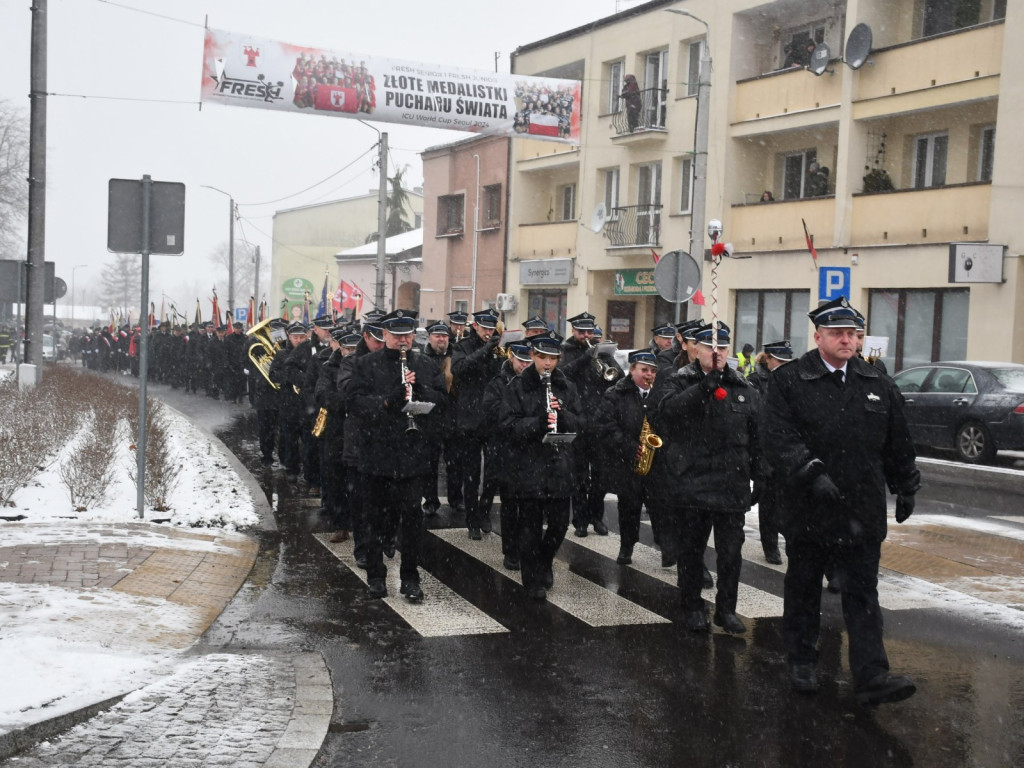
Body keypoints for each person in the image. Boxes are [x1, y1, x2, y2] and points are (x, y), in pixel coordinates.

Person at [761, 296, 921, 706]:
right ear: (818, 337)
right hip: (809, 507)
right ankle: (801, 659)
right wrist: (811, 471)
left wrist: (906, 485)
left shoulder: (877, 383)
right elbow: (777, 438)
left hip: (861, 508)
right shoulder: (791, 381)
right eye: (838, 333)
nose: (847, 340)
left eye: (853, 333)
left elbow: (897, 442)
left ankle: (871, 674)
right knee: (804, 587)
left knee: (863, 593)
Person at [651, 321, 761, 634]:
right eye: (711, 348)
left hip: (731, 483)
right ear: (696, 349)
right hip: (692, 482)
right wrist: (702, 389)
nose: (718, 354)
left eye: (723, 348)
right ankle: (692, 607)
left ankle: (726, 610)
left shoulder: (743, 388)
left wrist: (761, 476)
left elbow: (757, 436)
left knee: (730, 554)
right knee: (691, 551)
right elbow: (665, 414)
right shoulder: (677, 380)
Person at [348, 309, 446, 601]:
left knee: (412, 522)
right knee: (376, 520)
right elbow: (354, 404)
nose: (403, 340)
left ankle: (410, 579)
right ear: (385, 335)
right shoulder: (365, 364)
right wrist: (389, 399)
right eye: (397, 335)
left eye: (407, 335)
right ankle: (376, 577)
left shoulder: (425, 364)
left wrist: (420, 390)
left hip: (412, 455)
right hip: (376, 454)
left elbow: (442, 402)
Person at [499, 331, 582, 600]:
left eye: (552, 359)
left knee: (559, 525)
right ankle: (532, 579)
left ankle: (545, 560)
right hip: (529, 465)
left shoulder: (566, 387)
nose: (548, 364)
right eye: (542, 357)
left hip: (559, 465)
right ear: (533, 356)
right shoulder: (517, 387)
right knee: (530, 527)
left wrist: (563, 415)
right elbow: (507, 425)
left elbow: (581, 424)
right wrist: (538, 422)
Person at [594, 350, 665, 565]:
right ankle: (627, 546)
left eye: (653, 371)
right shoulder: (615, 394)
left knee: (661, 510)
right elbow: (604, 426)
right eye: (644, 370)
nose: (649, 375)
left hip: (656, 465)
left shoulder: (660, 395)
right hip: (627, 464)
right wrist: (629, 447)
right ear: (632, 369)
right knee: (629, 508)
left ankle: (666, 546)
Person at [559, 311, 621, 537]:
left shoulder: (600, 351)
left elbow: (618, 377)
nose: (587, 335)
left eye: (589, 331)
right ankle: (580, 519)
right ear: (573, 331)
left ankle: (597, 515)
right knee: (579, 475)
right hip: (578, 418)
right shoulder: (565, 351)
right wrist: (585, 357)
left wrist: (605, 359)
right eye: (581, 331)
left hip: (599, 421)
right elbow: (562, 375)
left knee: (602, 475)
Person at [451, 309, 504, 538]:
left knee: (493, 472)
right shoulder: (462, 346)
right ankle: (472, 519)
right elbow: (459, 369)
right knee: (471, 473)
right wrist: (485, 349)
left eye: (492, 329)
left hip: (491, 419)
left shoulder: (496, 350)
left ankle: (484, 512)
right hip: (470, 418)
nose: (489, 332)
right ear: (475, 327)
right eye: (485, 329)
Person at [748, 340, 794, 565]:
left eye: (787, 361)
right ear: (767, 359)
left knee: (788, 503)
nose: (783, 365)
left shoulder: (794, 380)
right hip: (764, 449)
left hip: (787, 450)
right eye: (779, 360)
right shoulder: (755, 381)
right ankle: (771, 546)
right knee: (768, 501)